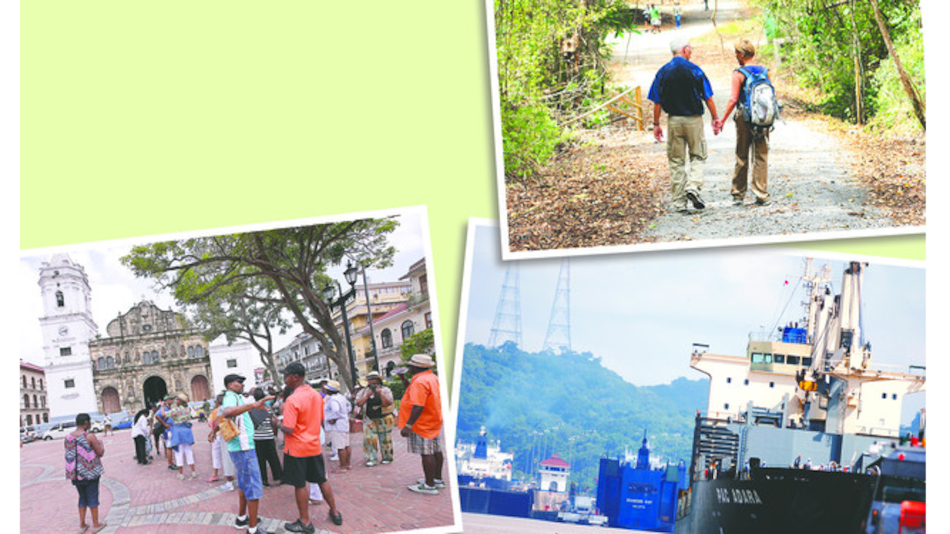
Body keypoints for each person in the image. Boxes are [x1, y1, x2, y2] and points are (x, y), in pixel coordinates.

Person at [649, 37, 721, 213]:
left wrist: (656, 124)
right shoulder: (695, 70)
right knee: (698, 155)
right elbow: (708, 96)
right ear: (685, 49)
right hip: (693, 120)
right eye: (691, 49)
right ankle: (694, 187)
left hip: (674, 121)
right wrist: (715, 117)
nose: (691, 52)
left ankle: (679, 203)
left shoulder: (663, 72)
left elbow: (656, 101)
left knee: (676, 161)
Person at [278, 362, 343, 532]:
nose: (284, 379)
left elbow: (289, 428)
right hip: (313, 445)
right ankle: (335, 512)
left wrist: (277, 424)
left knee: (300, 484)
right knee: (322, 479)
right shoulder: (316, 395)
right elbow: (319, 419)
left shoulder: (293, 399)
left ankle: (305, 522)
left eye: (286, 376)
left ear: (295, 377)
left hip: (297, 448)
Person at [715, 39, 771, 206]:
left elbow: (733, 99)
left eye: (736, 54)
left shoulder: (738, 73)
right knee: (761, 155)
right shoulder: (765, 71)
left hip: (744, 117)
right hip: (762, 117)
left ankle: (738, 194)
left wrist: (723, 120)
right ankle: (761, 193)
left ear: (741, 54)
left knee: (742, 154)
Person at [220, 374, 274, 534]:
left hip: (240, 448)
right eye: (239, 382)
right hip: (243, 448)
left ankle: (242, 518)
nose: (242, 384)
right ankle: (252, 529)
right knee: (253, 487)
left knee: (244, 485)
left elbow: (225, 416)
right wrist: (253, 406)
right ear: (230, 384)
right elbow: (227, 413)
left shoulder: (234, 396)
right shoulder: (231, 397)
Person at [397, 354, 446, 495]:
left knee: (426, 453)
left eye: (410, 366)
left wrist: (408, 426)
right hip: (434, 419)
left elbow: (418, 405)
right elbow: (413, 392)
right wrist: (403, 379)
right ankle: (437, 479)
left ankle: (429, 485)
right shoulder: (431, 378)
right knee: (436, 450)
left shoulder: (420, 382)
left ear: (415, 367)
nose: (408, 368)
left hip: (422, 423)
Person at [65, 413, 107, 533]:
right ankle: (96, 524)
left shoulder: (68, 437)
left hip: (75, 474)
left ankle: (82, 525)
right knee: (93, 496)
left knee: (82, 497)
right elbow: (100, 453)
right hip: (89, 473)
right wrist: (101, 445)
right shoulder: (89, 436)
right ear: (85, 423)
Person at [354, 370, 395, 466]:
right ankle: (371, 459)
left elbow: (388, 403)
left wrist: (380, 393)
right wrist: (367, 396)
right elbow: (358, 403)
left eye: (373, 379)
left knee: (385, 439)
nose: (371, 382)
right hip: (369, 418)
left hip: (384, 418)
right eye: (370, 380)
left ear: (378, 380)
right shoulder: (363, 391)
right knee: (369, 439)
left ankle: (387, 457)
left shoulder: (385, 390)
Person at [251, 387, 283, 486]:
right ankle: (279, 478)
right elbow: (273, 421)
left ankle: (264, 480)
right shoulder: (268, 408)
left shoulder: (251, 409)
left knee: (260, 460)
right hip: (268, 436)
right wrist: (274, 435)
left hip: (257, 437)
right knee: (273, 458)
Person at [323, 380, 352, 472]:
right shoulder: (341, 397)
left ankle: (342, 466)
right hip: (344, 423)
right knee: (346, 445)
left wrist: (334, 418)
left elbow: (335, 410)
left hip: (337, 425)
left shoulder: (333, 400)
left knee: (340, 447)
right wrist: (344, 415)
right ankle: (348, 464)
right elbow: (349, 407)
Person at [168, 392, 198, 480]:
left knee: (179, 453)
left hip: (178, 432)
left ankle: (181, 474)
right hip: (187, 432)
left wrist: (162, 406)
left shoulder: (176, 410)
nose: (176, 401)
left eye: (177, 399)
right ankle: (193, 471)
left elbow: (164, 414)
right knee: (189, 452)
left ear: (180, 401)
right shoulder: (188, 409)